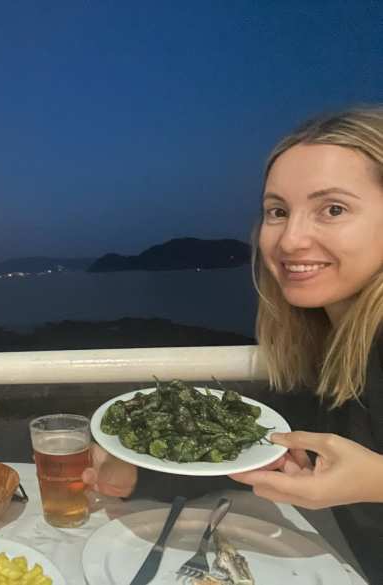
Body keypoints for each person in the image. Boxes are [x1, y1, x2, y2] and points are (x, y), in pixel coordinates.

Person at [82, 105, 383, 582]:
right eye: (277, 211)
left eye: (333, 209)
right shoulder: (321, 341)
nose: (291, 239)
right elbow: (263, 452)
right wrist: (141, 474)